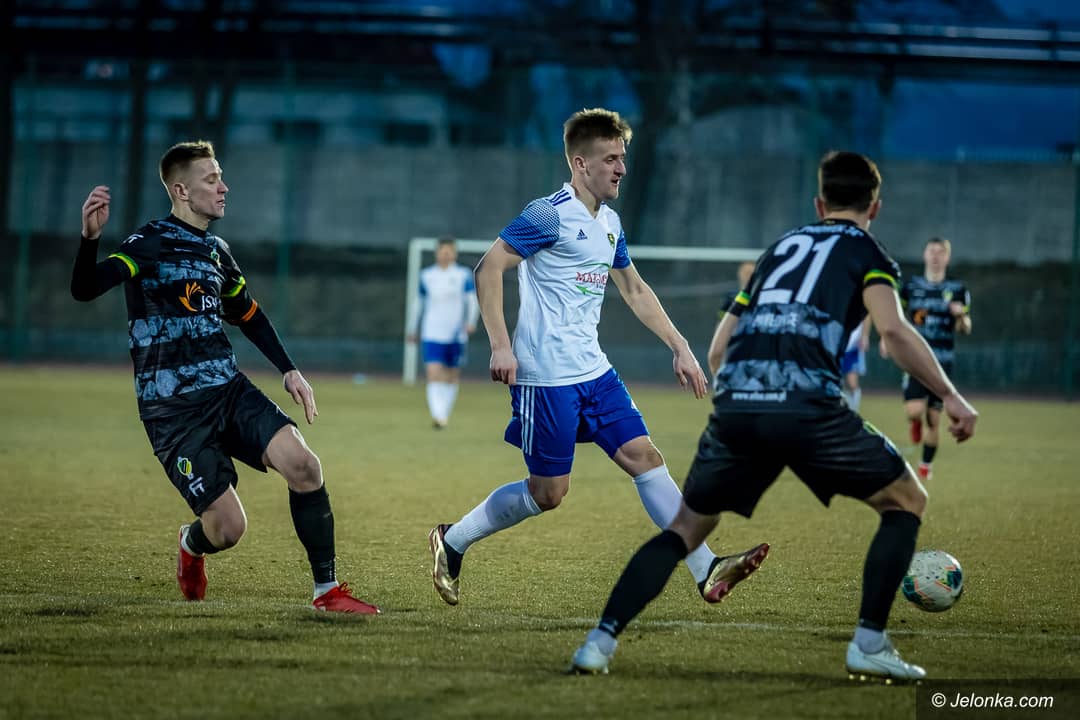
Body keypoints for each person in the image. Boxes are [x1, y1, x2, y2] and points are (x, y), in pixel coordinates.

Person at [570, 151, 978, 680]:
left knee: (685, 529)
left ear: (819, 204)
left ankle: (598, 644)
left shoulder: (780, 249)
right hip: (810, 408)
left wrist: (740, 407)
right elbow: (895, 333)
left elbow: (719, 349)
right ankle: (869, 643)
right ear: (874, 207)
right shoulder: (868, 252)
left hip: (739, 406)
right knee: (907, 499)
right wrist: (951, 396)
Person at [427, 108, 745, 608]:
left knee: (645, 458)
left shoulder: (610, 223)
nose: (622, 168)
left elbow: (635, 290)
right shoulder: (548, 214)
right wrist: (501, 344)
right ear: (581, 163)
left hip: (595, 372)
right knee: (549, 493)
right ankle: (453, 540)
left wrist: (680, 346)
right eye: (611, 158)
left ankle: (706, 568)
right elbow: (488, 268)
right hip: (545, 378)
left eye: (623, 158)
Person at [71, 140, 379, 614]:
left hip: (228, 390)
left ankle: (327, 591)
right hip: (173, 411)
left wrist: (289, 369)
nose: (223, 187)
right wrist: (90, 240)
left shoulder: (217, 252)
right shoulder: (149, 242)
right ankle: (191, 544)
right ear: (181, 191)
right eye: (211, 179)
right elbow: (85, 288)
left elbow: (248, 314)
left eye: (220, 177)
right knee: (229, 529)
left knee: (304, 465)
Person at [884, 237, 972, 480]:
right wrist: (886, 338)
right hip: (915, 359)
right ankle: (915, 422)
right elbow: (895, 315)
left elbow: (965, 328)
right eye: (931, 251)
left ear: (947, 258)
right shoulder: (911, 287)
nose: (935, 256)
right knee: (914, 411)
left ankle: (925, 466)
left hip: (943, 362)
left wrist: (960, 316)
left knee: (934, 419)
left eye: (940, 252)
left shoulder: (957, 289)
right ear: (925, 255)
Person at [406, 236, 479, 429]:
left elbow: (472, 300)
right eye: (442, 251)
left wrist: (471, 322)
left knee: (452, 375)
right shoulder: (427, 276)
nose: (445, 254)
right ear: (437, 253)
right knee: (433, 372)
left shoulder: (463, 275)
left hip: (456, 333)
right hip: (432, 332)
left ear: (454, 253)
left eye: (449, 251)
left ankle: (443, 413)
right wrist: (413, 328)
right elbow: (418, 303)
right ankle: (438, 415)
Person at [840, 316, 872, 412]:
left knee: (852, 383)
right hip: (838, 344)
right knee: (837, 382)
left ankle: (854, 409)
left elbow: (867, 315)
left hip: (854, 345)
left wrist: (865, 336)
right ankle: (844, 408)